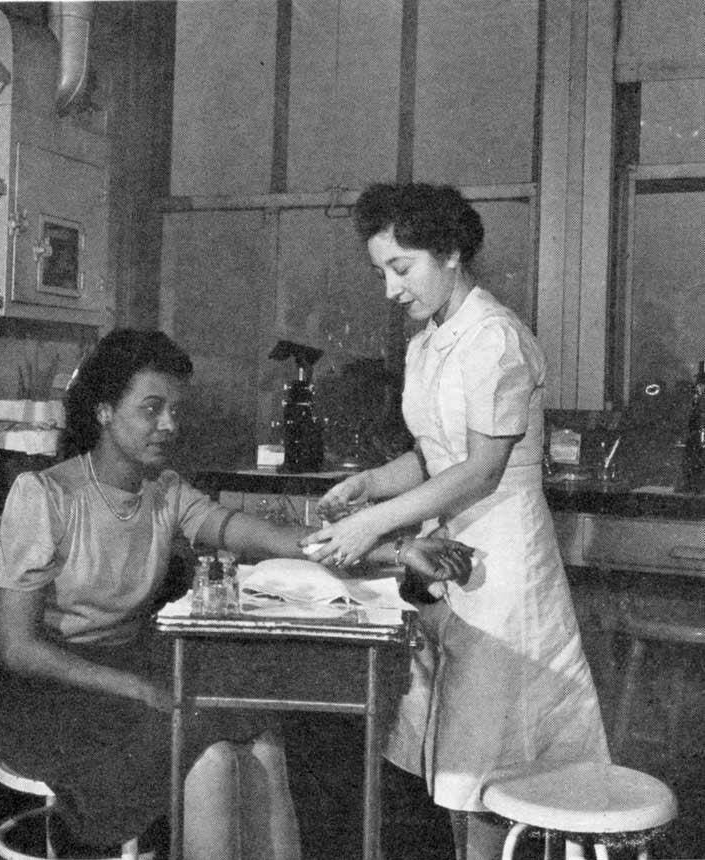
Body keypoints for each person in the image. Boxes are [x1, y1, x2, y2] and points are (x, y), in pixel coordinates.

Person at [0, 327, 466, 860]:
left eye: (175, 409)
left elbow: (280, 541)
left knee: (260, 736)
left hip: (133, 669)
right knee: (211, 751)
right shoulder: (46, 495)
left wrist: (397, 551)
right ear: (103, 411)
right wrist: (134, 687)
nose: (169, 424)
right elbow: (19, 650)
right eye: (151, 409)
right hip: (51, 696)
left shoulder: (163, 492)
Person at [304, 183, 610, 860]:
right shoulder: (430, 342)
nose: (390, 289)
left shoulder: (496, 339)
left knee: (492, 762)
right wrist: (369, 484)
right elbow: (432, 453)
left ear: (449, 252)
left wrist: (374, 524)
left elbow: (480, 471)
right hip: (453, 561)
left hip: (506, 569)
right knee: (456, 764)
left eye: (401, 268)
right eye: (381, 271)